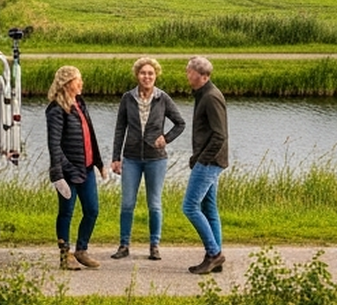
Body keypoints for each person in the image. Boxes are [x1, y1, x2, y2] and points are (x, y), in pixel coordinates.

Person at [109, 56, 185, 261]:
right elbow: (119, 129)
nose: (147, 76)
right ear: (137, 75)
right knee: (127, 203)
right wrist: (116, 158)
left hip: (156, 159)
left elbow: (180, 123)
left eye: (150, 73)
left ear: (156, 75)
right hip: (131, 158)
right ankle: (124, 245)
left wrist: (166, 138)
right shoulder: (127, 98)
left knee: (154, 204)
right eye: (143, 73)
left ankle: (154, 245)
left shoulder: (163, 98)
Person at [44, 64, 108, 270]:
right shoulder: (56, 110)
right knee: (66, 212)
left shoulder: (80, 103)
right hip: (67, 172)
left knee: (92, 210)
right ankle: (65, 255)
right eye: (78, 79)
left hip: (86, 168)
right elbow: (54, 145)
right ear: (67, 83)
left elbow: (90, 136)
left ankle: (81, 250)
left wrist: (98, 163)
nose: (81, 83)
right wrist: (59, 173)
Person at [181, 55, 229, 274]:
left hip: (210, 162)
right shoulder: (203, 94)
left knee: (190, 206)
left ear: (203, 76)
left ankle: (214, 254)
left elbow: (219, 135)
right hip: (208, 160)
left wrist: (201, 159)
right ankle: (215, 256)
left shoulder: (211, 97)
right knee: (209, 208)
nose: (187, 74)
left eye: (190, 71)